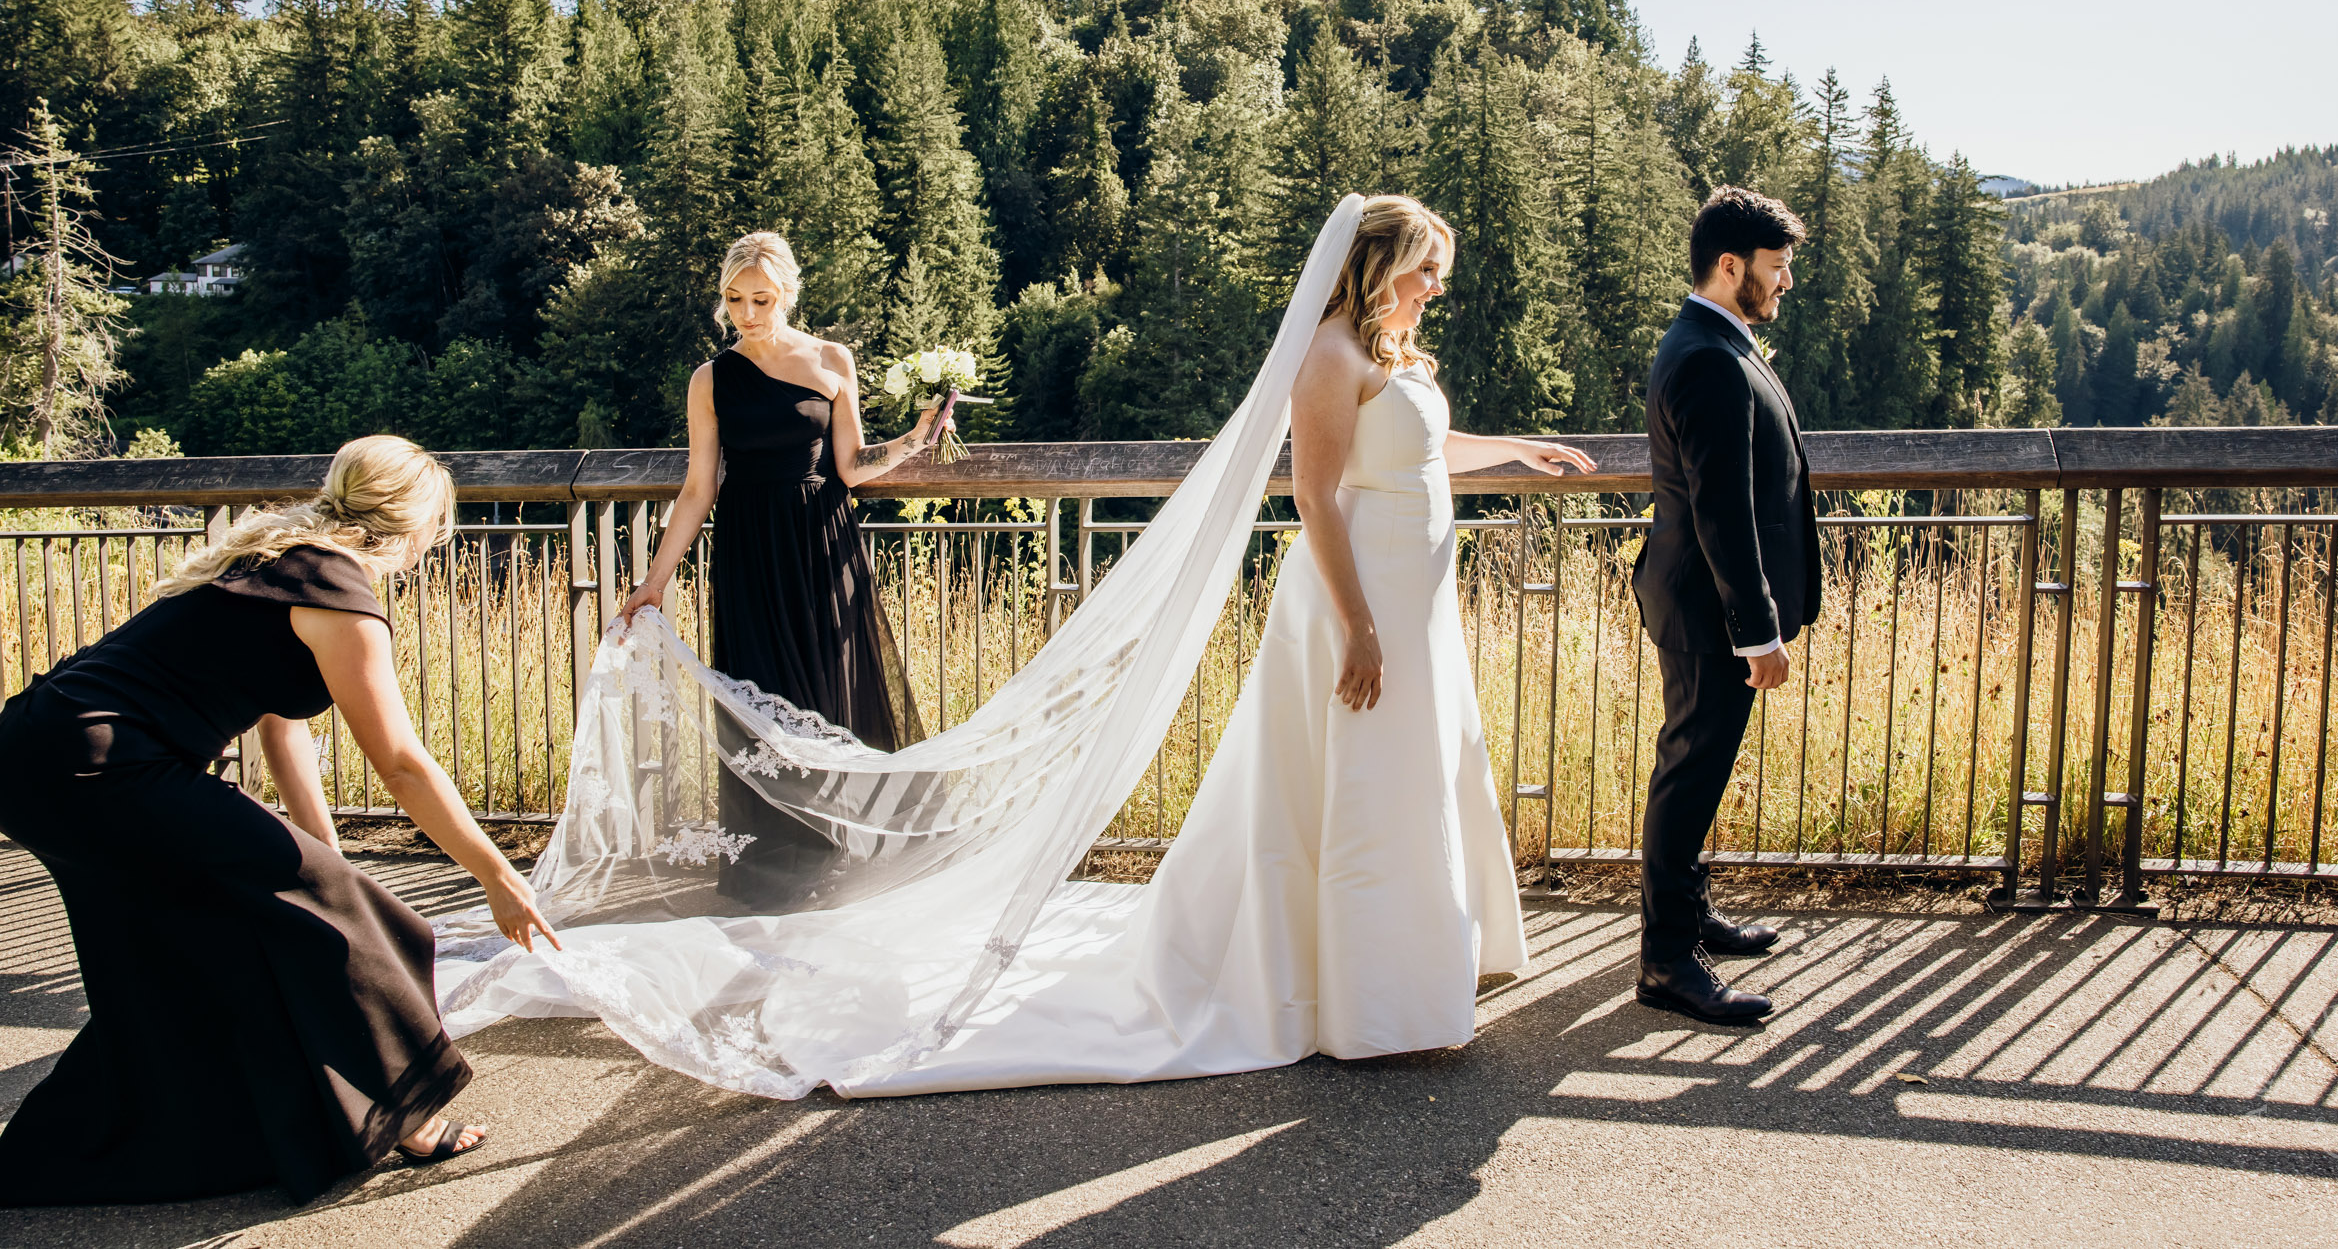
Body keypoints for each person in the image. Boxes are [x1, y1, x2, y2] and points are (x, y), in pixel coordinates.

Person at [438, 194, 1591, 1095]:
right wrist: (648, 584)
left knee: (1409, 779)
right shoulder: (1330, 358)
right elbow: (1321, 495)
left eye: (758, 294)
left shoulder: (1389, 359)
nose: (1436, 285)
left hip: (1396, 596)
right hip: (1350, 599)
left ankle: (1409, 963)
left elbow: (1419, 451)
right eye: (1425, 267)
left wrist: (1521, 447)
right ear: (1378, 265)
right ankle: (1358, 991)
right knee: (1352, 789)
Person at [0, 436, 560, 1205]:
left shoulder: (277, 556)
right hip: (102, 765)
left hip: (38, 751)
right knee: (375, 928)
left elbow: (280, 726)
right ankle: (405, 1116)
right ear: (420, 523)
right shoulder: (338, 590)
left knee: (171, 955)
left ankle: (79, 1152)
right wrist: (499, 874)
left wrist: (323, 860)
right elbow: (399, 762)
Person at [613, 230, 946, 906]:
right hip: (750, 553)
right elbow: (698, 487)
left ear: (788, 293)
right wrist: (656, 579)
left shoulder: (831, 359)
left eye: (761, 298)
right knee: (762, 700)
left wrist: (915, 438)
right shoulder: (711, 379)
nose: (747, 312)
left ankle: (844, 859)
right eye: (735, 299)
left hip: (822, 545)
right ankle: (774, 869)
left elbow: (850, 466)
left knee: (829, 693)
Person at [1628, 185, 1820, 1025]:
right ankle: (1667, 961)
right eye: (1776, 270)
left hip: (1702, 607)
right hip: (1711, 614)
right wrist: (1759, 632)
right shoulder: (1708, 355)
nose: (1784, 285)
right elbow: (1723, 511)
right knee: (1689, 773)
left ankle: (1691, 916)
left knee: (1695, 772)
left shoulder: (1715, 340)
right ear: (1732, 265)